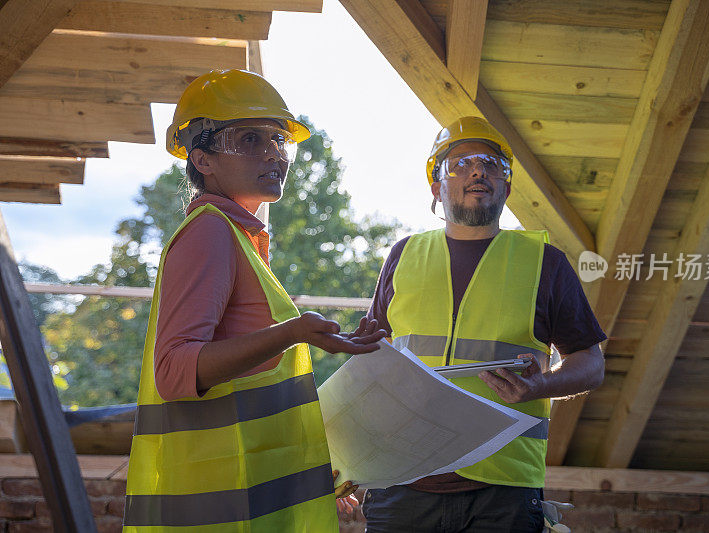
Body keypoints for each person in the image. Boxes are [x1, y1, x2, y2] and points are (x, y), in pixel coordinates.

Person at [123, 69, 384, 532]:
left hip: (252, 499)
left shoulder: (240, 238)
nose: (273, 154)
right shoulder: (210, 233)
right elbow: (176, 371)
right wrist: (293, 332)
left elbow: (252, 388)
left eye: (279, 141)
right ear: (202, 159)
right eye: (249, 140)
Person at [361, 116, 606, 532]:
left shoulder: (545, 263)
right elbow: (370, 363)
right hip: (403, 480)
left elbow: (591, 363)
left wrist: (541, 385)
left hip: (503, 490)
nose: (478, 170)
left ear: (507, 188)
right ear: (437, 187)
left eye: (492, 164)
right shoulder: (404, 255)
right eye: (460, 163)